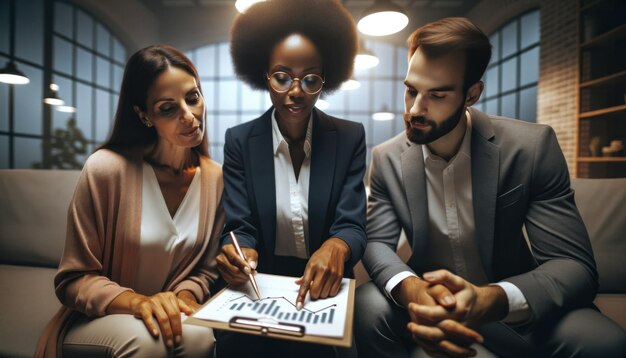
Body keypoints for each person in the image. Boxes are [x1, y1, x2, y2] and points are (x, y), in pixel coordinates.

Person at [355, 17, 626, 358]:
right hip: (429, 303)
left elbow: (575, 267)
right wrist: (413, 289)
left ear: (472, 94)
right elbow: (377, 242)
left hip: (514, 307)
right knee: (365, 305)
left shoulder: (532, 147)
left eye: (437, 95)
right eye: (411, 90)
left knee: (606, 344)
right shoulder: (387, 158)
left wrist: (492, 299)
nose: (414, 110)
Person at [35, 45, 225, 358]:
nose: (189, 116)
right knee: (148, 344)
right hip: (103, 316)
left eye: (193, 98)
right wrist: (140, 302)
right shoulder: (106, 169)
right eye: (168, 108)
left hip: (172, 313)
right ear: (143, 115)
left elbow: (204, 270)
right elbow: (73, 280)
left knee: (200, 339)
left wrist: (183, 296)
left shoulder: (215, 178)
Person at [214, 0, 366, 356]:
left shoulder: (349, 138)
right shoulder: (239, 141)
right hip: (260, 287)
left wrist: (336, 247)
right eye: (282, 76)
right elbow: (239, 226)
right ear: (263, 75)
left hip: (324, 289)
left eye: (310, 79)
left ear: (326, 80)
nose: (295, 91)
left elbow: (353, 226)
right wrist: (240, 252)